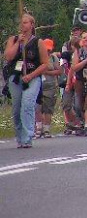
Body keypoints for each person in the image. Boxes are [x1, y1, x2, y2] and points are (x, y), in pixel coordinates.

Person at [3, 14, 50, 148]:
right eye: (21, 23)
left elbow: (45, 63)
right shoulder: (14, 39)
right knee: (17, 108)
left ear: (31, 25)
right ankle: (19, 136)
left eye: (25, 23)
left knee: (27, 104)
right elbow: (8, 57)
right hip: (16, 77)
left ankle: (28, 136)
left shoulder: (38, 42)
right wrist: (18, 43)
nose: (22, 25)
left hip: (32, 77)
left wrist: (32, 75)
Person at [38, 39, 61, 138]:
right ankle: (38, 128)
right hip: (38, 86)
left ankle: (46, 129)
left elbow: (59, 71)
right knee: (37, 107)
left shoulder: (53, 58)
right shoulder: (37, 57)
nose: (47, 51)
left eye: (49, 50)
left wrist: (46, 72)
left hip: (50, 86)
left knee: (48, 108)